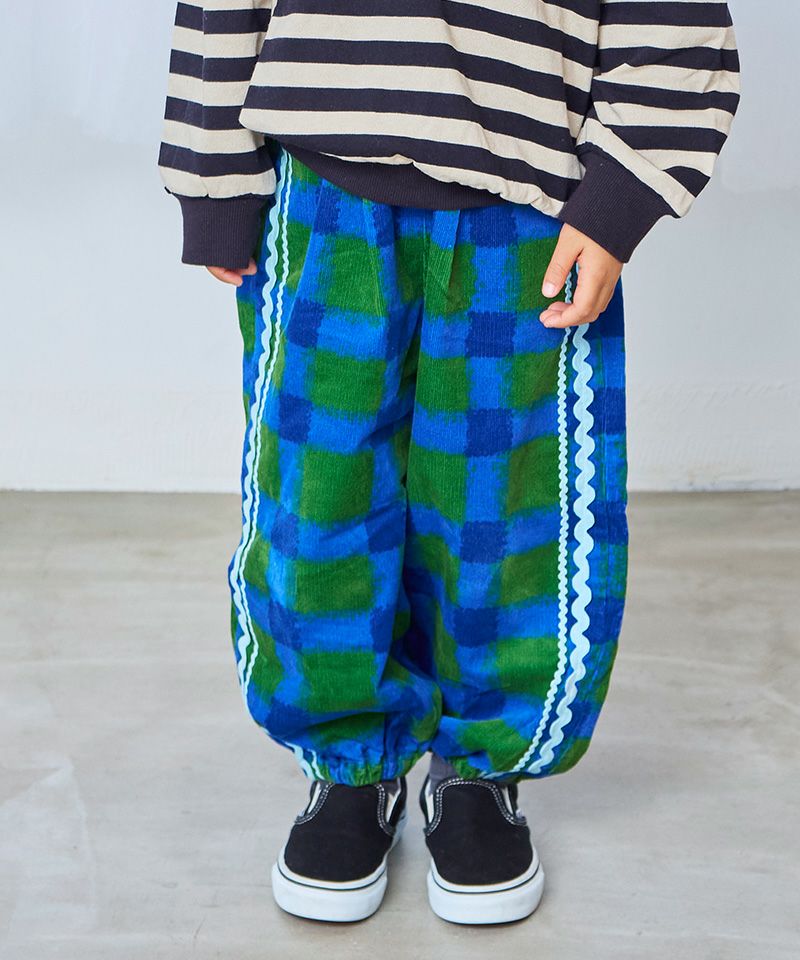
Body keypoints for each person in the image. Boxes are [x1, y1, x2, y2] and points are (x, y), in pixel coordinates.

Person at [158, 0, 740, 926]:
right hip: (323, 183)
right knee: (318, 494)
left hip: (528, 202)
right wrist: (212, 172)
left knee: (500, 511)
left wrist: (623, 191)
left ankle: (478, 770)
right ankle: (351, 762)